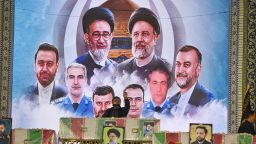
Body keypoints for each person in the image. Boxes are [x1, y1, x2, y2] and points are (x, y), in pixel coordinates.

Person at [118, 7, 170, 80]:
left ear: (155, 37)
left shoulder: (168, 69)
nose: (139, 39)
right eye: (136, 34)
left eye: (145, 34)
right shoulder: (120, 69)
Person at [75, 7, 117, 84]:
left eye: (105, 34)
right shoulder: (75, 68)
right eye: (96, 34)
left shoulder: (117, 68)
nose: (101, 40)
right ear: (87, 38)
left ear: (111, 38)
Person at [170, 45, 214, 117]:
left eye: (186, 65)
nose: (180, 70)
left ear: (198, 69)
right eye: (178, 64)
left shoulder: (208, 101)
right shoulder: (171, 101)